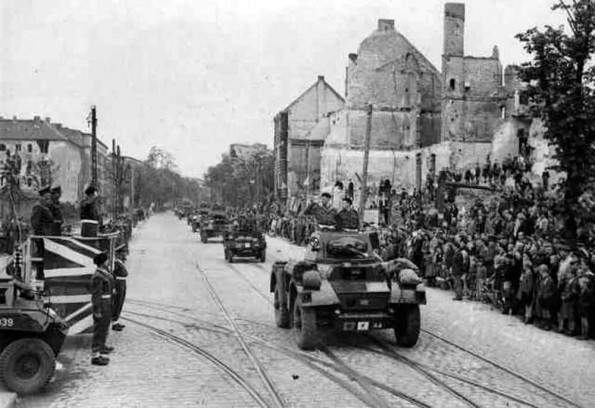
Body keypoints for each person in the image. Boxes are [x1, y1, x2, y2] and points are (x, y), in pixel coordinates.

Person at [90, 252, 114, 366]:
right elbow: (96, 295)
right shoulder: (98, 276)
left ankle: (101, 347)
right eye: (107, 260)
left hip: (107, 303)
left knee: (104, 327)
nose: (108, 262)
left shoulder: (104, 273)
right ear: (103, 262)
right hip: (102, 305)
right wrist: (97, 310)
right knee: (99, 329)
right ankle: (95, 356)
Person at [111, 255, 128, 331]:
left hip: (122, 283)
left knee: (120, 302)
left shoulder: (120, 262)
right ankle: (114, 323)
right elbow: (113, 275)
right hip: (118, 283)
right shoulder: (116, 263)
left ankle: (116, 321)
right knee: (117, 303)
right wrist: (114, 286)